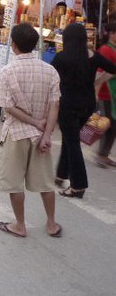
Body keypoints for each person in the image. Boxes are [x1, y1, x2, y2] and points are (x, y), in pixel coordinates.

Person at [0, 23, 62, 238]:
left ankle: (20, 225)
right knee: (46, 182)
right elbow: (54, 105)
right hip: (40, 136)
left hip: (16, 133)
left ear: (13, 44)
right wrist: (46, 133)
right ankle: (51, 224)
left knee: (14, 183)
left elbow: (7, 106)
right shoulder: (50, 71)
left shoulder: (6, 71)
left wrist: (33, 121)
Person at [51, 23, 116, 197]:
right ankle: (61, 175)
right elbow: (113, 69)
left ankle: (78, 186)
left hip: (67, 105)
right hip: (87, 105)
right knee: (70, 139)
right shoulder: (93, 56)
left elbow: (50, 79)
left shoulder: (61, 57)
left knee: (72, 143)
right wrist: (97, 81)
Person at [96, 22, 116, 168]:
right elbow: (100, 72)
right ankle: (101, 155)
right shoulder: (105, 49)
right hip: (106, 92)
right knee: (108, 125)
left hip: (114, 93)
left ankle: (104, 154)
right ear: (111, 33)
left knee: (113, 126)